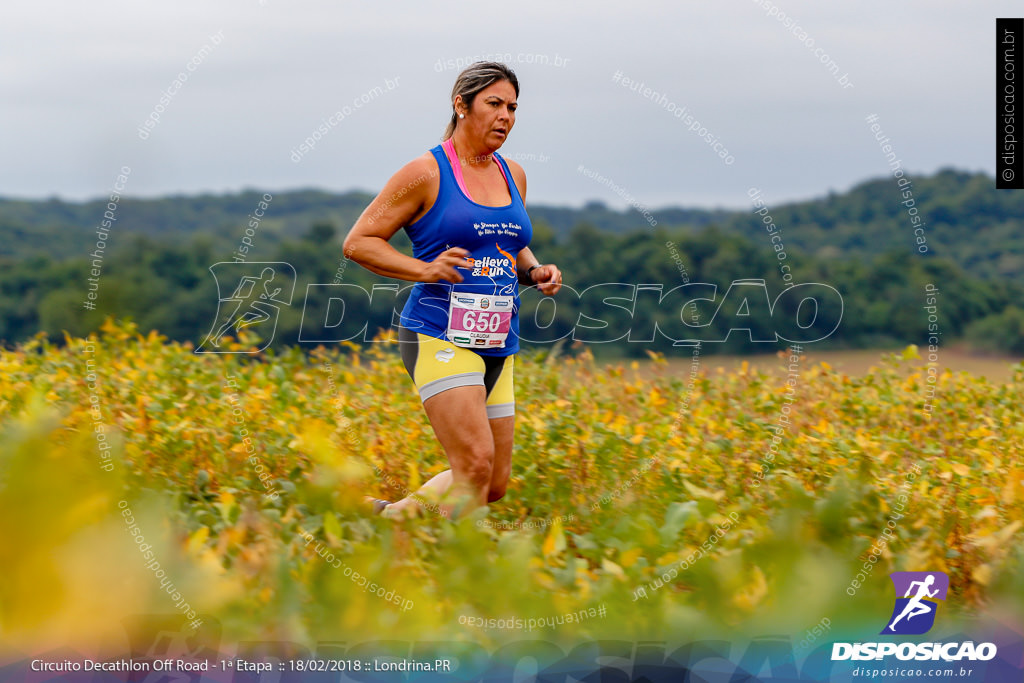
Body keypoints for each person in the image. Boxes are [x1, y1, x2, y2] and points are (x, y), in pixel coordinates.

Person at [343, 61, 562, 519]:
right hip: (438, 333)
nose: (506, 116)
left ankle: (389, 518)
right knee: (474, 466)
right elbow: (358, 242)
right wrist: (423, 270)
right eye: (494, 104)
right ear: (461, 105)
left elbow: (507, 245)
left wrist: (536, 270)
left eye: (513, 107)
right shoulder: (424, 173)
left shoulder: (513, 174)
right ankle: (445, 576)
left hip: (498, 339)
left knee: (492, 483)